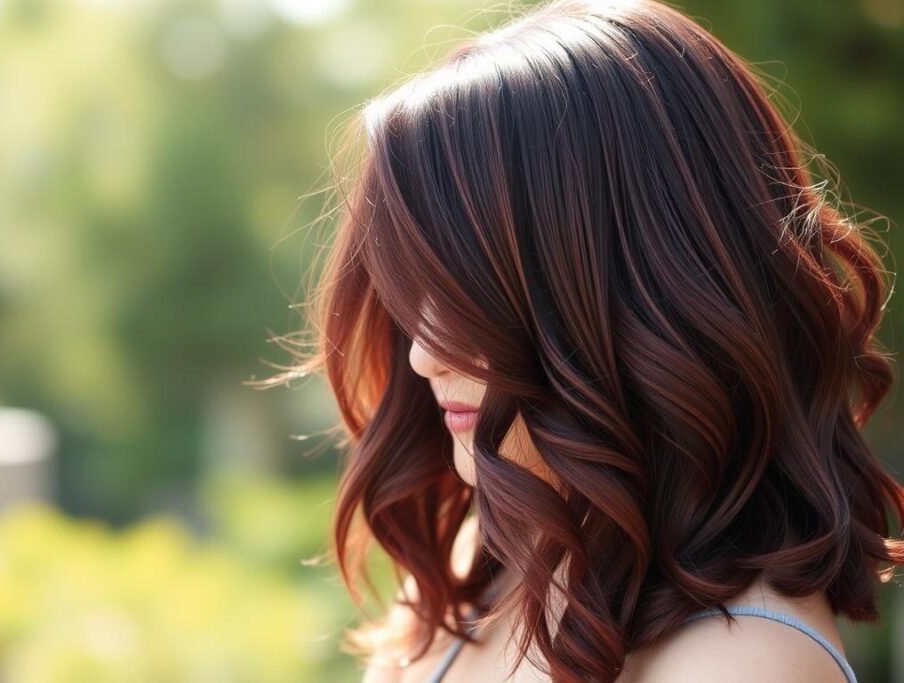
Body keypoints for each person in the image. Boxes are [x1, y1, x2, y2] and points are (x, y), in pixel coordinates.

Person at [266, 0, 904, 680]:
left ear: (637, 290)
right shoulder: (490, 557)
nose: (422, 354)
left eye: (469, 295)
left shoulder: (740, 661)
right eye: (415, 295)